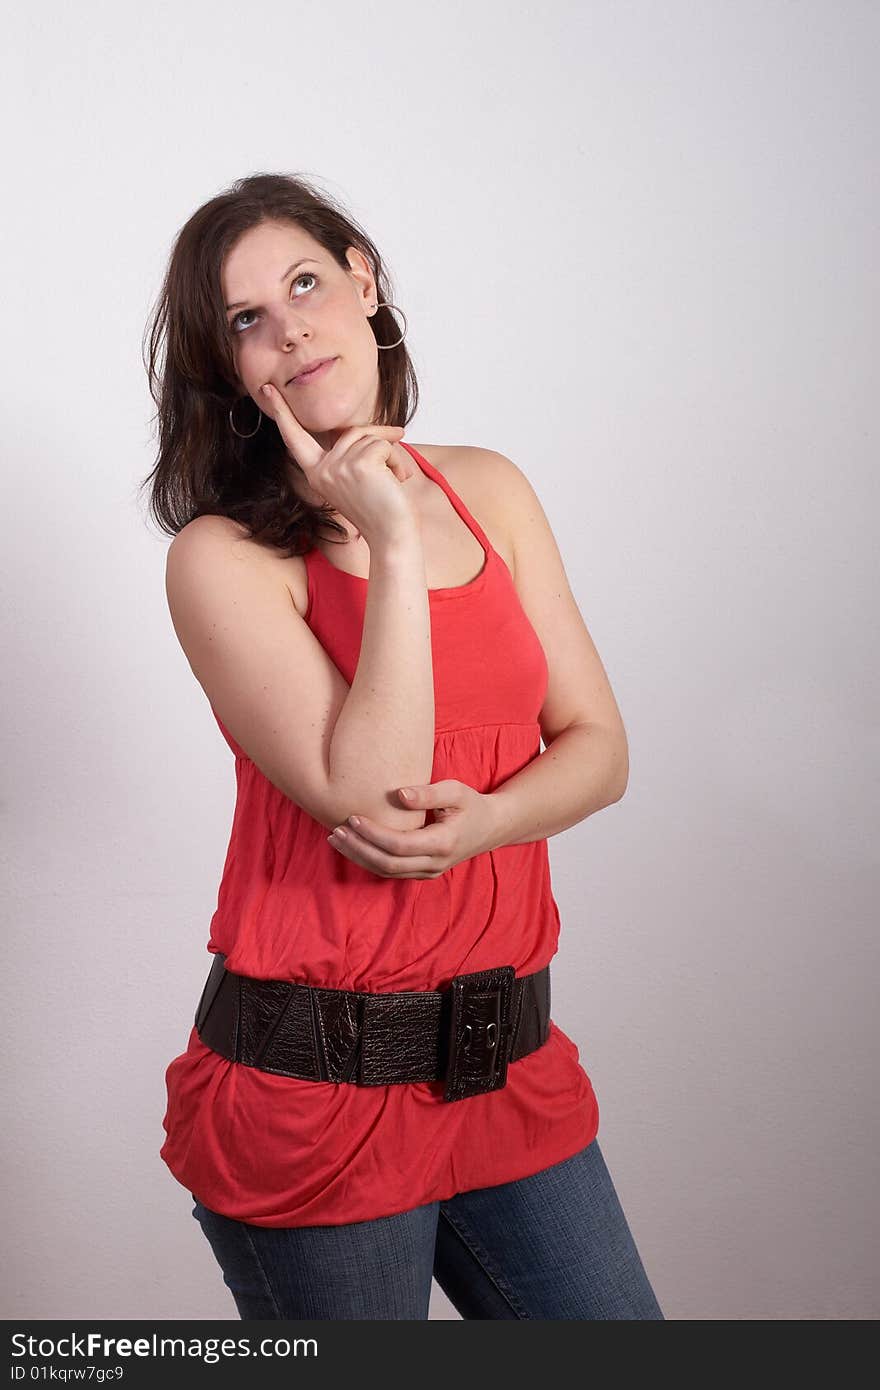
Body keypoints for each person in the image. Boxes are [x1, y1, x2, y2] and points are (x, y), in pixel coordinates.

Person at [142, 172, 664, 1321]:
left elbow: (598, 744)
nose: (289, 330)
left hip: (509, 1072)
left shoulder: (488, 489)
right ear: (230, 368)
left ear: (363, 281)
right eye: (245, 321)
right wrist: (382, 535)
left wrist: (491, 819)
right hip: (313, 1097)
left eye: (305, 283)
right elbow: (369, 793)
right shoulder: (222, 559)